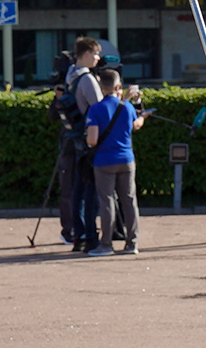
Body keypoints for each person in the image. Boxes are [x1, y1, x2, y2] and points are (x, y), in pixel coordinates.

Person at [85, 64, 143, 257]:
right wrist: (142, 113)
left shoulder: (95, 109)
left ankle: (106, 244)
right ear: (118, 86)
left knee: (107, 201)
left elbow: (92, 140)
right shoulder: (127, 107)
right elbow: (136, 125)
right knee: (129, 200)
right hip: (126, 158)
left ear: (102, 87)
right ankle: (132, 242)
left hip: (104, 161)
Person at [55, 39, 104, 254]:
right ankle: (90, 236)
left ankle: (78, 234)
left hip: (74, 138)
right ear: (86, 54)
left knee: (77, 189)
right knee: (89, 190)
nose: (98, 58)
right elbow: (100, 108)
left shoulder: (70, 75)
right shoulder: (87, 79)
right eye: (95, 54)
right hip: (89, 138)